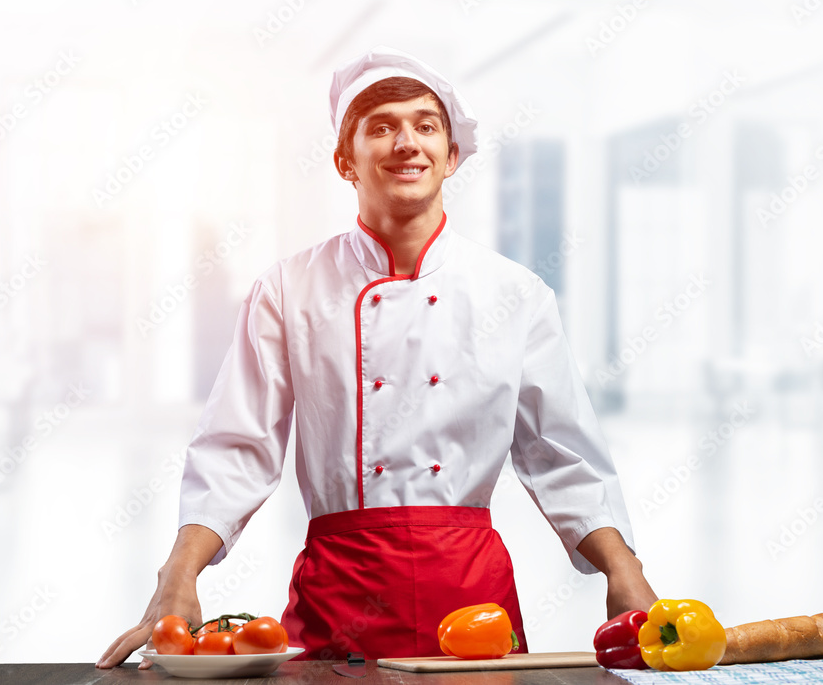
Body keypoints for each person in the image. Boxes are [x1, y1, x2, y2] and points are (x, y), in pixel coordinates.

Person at [97, 46, 656, 669]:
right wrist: (179, 575)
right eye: (382, 127)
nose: (406, 142)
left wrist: (623, 574)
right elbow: (238, 447)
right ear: (345, 161)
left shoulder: (514, 294)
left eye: (425, 125)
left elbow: (562, 452)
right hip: (340, 594)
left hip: (473, 604)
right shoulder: (288, 289)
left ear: (451, 156)